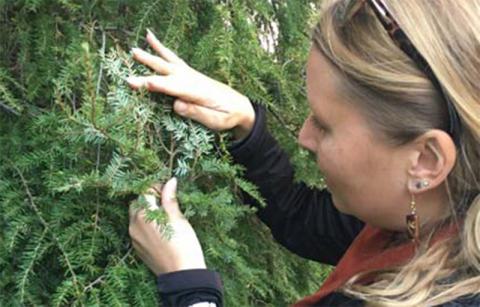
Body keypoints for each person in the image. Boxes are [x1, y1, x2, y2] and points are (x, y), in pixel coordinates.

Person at [127, 0, 480, 305]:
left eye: (325, 125)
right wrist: (246, 125)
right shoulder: (436, 211)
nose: (303, 136)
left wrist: (189, 289)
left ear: (426, 161)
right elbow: (306, 220)